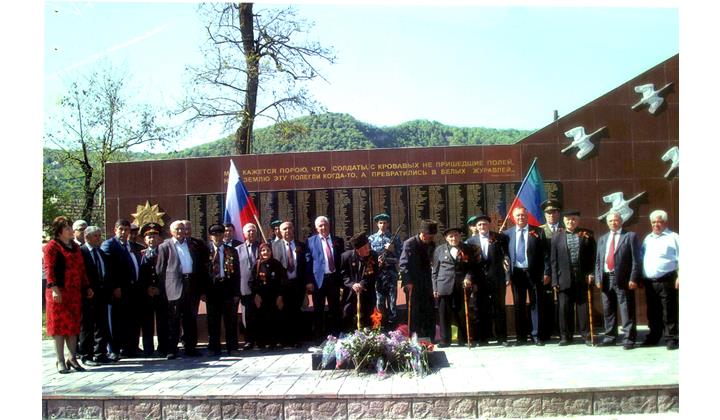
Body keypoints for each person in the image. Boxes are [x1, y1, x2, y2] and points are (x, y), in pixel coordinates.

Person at [44, 216, 93, 373]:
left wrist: (87, 286)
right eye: (67, 228)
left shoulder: (76, 247)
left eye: (71, 227)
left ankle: (72, 358)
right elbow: (49, 269)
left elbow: (81, 269)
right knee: (59, 328)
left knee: (73, 326)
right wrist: (54, 289)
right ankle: (60, 360)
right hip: (58, 292)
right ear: (59, 232)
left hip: (74, 293)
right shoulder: (52, 246)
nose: (71, 231)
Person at [155, 220, 207, 359]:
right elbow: (160, 270)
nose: (180, 231)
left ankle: (190, 347)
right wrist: (164, 289)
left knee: (190, 318)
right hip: (174, 286)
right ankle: (172, 349)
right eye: (177, 229)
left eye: (182, 229)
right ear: (171, 231)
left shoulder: (192, 245)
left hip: (191, 285)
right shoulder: (165, 246)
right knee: (174, 319)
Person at [593, 211, 641, 350]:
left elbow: (636, 260)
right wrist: (598, 278)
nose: (613, 223)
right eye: (610, 221)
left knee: (626, 310)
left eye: (616, 220)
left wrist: (633, 278)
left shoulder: (630, 236)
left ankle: (629, 338)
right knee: (608, 309)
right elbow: (598, 261)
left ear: (621, 221)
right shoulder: (602, 239)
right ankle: (610, 337)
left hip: (624, 279)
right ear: (607, 223)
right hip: (606, 278)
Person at [504, 207, 550, 346]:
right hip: (517, 273)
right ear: (513, 217)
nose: (521, 218)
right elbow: (505, 256)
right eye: (518, 215)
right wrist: (507, 275)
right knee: (519, 305)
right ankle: (521, 337)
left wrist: (546, 272)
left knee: (536, 304)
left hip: (534, 273)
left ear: (527, 216)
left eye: (523, 215)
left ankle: (536, 335)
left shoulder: (538, 231)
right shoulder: (507, 234)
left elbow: (545, 254)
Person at [550, 210, 596, 346]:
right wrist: (554, 280)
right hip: (563, 278)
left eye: (574, 219)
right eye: (568, 219)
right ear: (564, 221)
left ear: (578, 220)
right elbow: (553, 260)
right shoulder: (557, 236)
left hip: (582, 278)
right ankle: (565, 336)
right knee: (564, 308)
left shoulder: (587, 234)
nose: (571, 222)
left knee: (583, 308)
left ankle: (586, 336)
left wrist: (592, 273)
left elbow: (594, 257)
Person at [101, 219, 143, 360]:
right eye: (121, 229)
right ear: (115, 230)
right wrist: (114, 286)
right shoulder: (109, 245)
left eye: (126, 230)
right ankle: (113, 350)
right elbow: (108, 268)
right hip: (117, 290)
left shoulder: (131, 246)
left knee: (130, 320)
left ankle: (129, 348)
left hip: (132, 290)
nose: (124, 232)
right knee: (115, 321)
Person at [467, 215, 511, 346]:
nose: (482, 226)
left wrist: (507, 276)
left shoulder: (500, 238)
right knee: (481, 308)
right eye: (479, 224)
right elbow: (469, 263)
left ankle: (502, 337)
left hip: (497, 278)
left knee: (499, 308)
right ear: (476, 227)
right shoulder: (470, 241)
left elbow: (506, 258)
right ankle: (483, 338)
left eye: (485, 224)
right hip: (479, 280)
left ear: (489, 225)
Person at [641, 210, 679, 350]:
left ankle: (672, 338)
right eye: (654, 222)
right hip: (650, 282)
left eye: (659, 221)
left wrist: (680, 276)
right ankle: (654, 336)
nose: (656, 224)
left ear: (665, 222)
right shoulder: (648, 238)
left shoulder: (673, 237)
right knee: (653, 311)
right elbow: (642, 257)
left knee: (669, 311)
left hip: (667, 280)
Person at [432, 227, 476, 347]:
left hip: (461, 285)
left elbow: (472, 267)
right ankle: (445, 340)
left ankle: (463, 339)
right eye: (450, 236)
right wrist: (435, 288)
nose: (453, 238)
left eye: (456, 235)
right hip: (444, 285)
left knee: (462, 313)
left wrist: (468, 278)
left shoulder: (467, 249)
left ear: (460, 236)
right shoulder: (439, 250)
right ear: (446, 238)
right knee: (444, 314)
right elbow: (435, 271)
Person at [272, 221, 312, 348]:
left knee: (296, 311)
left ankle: (295, 339)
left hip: (297, 283)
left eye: (289, 228)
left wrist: (307, 282)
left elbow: (306, 264)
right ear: (280, 231)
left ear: (293, 229)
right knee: (283, 311)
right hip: (282, 284)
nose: (287, 231)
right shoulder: (274, 246)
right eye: (284, 229)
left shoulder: (301, 245)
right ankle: (284, 340)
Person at [307, 216, 345, 341]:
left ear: (329, 225)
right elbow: (308, 262)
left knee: (335, 308)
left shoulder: (338, 240)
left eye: (325, 225)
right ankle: (319, 336)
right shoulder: (310, 241)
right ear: (316, 228)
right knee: (318, 309)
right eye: (320, 226)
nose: (323, 227)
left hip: (334, 279)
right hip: (318, 280)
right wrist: (309, 281)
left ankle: (336, 335)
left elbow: (341, 260)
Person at [399, 219, 438, 340]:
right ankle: (415, 337)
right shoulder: (409, 243)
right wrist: (408, 282)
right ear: (423, 233)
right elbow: (403, 264)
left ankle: (429, 337)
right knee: (414, 312)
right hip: (413, 284)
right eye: (429, 236)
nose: (430, 239)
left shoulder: (432, 244)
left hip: (427, 282)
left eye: (432, 237)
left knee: (428, 309)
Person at [78, 225, 111, 366]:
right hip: (88, 294)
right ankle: (86, 355)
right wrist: (86, 288)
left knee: (101, 324)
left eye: (99, 235)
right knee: (87, 326)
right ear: (87, 237)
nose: (99, 238)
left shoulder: (100, 252)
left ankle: (100, 353)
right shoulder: (81, 252)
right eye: (96, 236)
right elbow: (80, 273)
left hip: (102, 293)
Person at [138, 223, 169, 357]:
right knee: (147, 322)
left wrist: (159, 288)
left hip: (161, 293)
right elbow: (138, 275)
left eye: (155, 236)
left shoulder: (164, 253)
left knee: (162, 321)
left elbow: (168, 272)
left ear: (159, 238)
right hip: (146, 294)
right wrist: (146, 288)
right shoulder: (140, 254)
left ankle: (163, 347)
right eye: (149, 237)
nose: (152, 239)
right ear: (145, 240)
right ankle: (148, 349)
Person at [367, 213, 402, 330]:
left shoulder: (395, 238)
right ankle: (379, 326)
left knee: (392, 301)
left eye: (385, 223)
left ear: (388, 224)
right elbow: (368, 257)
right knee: (379, 301)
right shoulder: (371, 239)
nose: (382, 225)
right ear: (377, 224)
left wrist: (392, 250)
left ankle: (393, 327)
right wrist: (376, 261)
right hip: (378, 274)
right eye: (380, 223)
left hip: (391, 273)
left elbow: (401, 257)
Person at [340, 233, 379, 332]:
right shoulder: (346, 257)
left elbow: (374, 275)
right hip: (351, 292)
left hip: (367, 291)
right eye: (365, 248)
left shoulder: (373, 255)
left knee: (368, 316)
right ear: (357, 250)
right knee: (347, 312)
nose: (368, 249)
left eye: (368, 246)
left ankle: (368, 334)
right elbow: (343, 275)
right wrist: (352, 284)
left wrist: (362, 284)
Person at [251, 242, 286, 348]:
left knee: (275, 319)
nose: (265, 252)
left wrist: (280, 296)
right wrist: (256, 294)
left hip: (274, 297)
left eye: (268, 250)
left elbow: (282, 280)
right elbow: (252, 281)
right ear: (260, 252)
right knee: (262, 320)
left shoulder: (277, 264)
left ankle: (275, 341)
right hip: (261, 297)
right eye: (263, 250)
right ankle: (262, 342)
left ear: (271, 252)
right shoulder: (257, 265)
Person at [539, 199, 563, 341]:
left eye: (554, 212)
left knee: (562, 302)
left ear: (559, 214)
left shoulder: (565, 229)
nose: (551, 215)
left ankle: (562, 331)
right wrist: (545, 272)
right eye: (548, 213)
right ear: (545, 215)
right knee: (546, 302)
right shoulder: (539, 230)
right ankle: (547, 331)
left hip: (563, 272)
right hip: (546, 273)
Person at [236, 223, 260, 349]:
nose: (251, 233)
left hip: (260, 287)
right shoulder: (237, 250)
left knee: (260, 313)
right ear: (244, 234)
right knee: (247, 315)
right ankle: (249, 340)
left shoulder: (262, 247)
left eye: (253, 231)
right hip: (244, 286)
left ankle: (261, 339)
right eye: (248, 231)